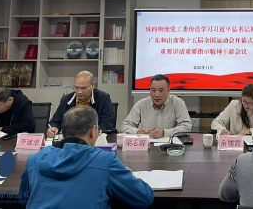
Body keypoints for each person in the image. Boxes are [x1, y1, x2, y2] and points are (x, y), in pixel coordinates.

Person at [19, 107, 153, 209]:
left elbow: (24, 199)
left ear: (63, 132)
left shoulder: (34, 160)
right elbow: (144, 198)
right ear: (92, 131)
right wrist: (126, 174)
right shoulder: (105, 161)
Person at [120, 74, 191, 138]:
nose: (157, 95)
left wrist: (164, 133)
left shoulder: (177, 103)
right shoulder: (141, 104)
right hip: (148, 144)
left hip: (170, 145)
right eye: (153, 90)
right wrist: (137, 131)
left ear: (168, 90)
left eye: (161, 91)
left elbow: (187, 127)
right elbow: (125, 126)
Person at [47, 71, 114, 138]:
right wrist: (53, 128)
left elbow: (107, 124)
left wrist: (89, 134)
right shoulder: (66, 100)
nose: (79, 92)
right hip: (71, 138)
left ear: (93, 86)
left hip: (94, 138)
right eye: (76, 88)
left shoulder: (103, 98)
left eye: (83, 88)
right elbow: (56, 121)